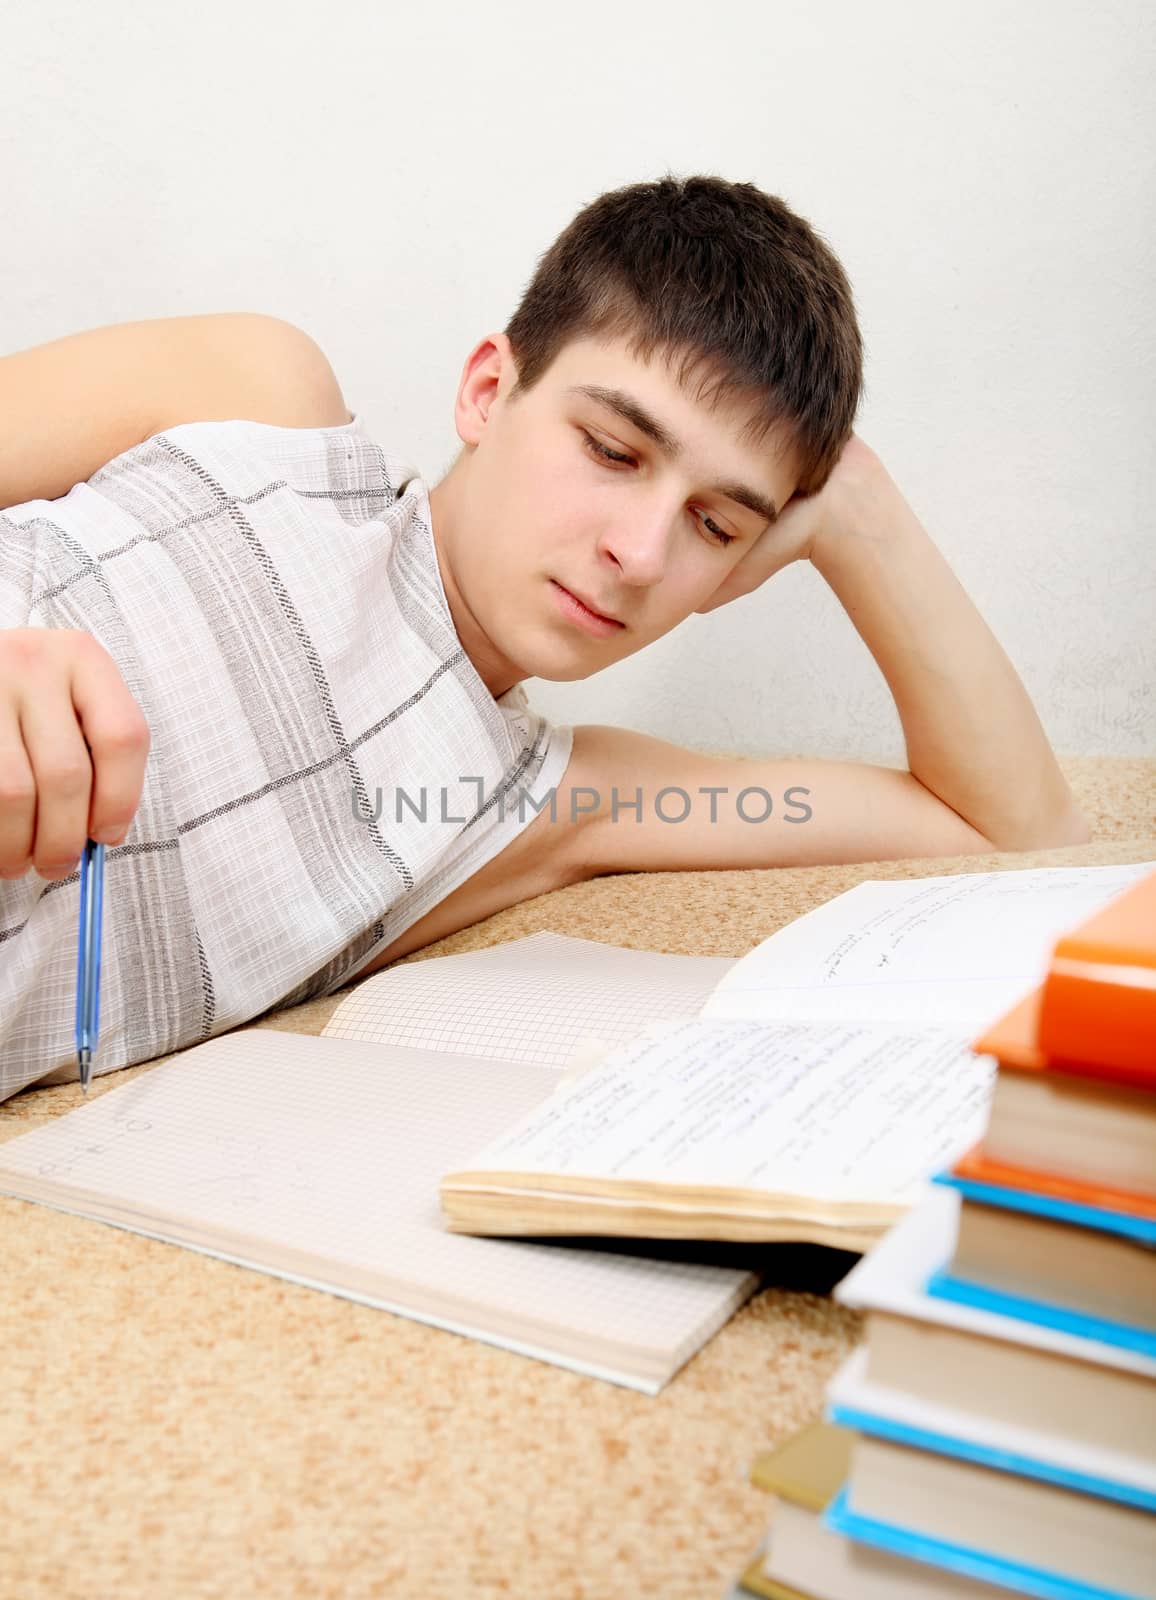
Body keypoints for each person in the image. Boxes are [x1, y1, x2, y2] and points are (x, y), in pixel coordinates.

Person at [0, 174, 1089, 1096]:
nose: (642, 553)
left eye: (715, 523)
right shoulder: (256, 403)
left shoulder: (537, 804)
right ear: (487, 388)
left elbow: (1010, 829)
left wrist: (861, 515)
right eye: (614, 450)